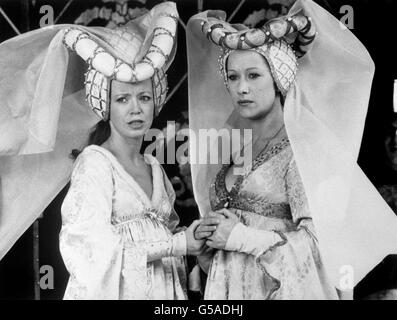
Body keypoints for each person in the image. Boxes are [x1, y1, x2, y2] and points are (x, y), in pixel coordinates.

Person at [186, 0, 397, 299]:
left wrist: (240, 237)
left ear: (278, 79)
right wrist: (208, 252)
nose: (241, 88)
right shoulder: (234, 148)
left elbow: (322, 249)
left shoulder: (302, 150)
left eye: (254, 75)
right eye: (233, 77)